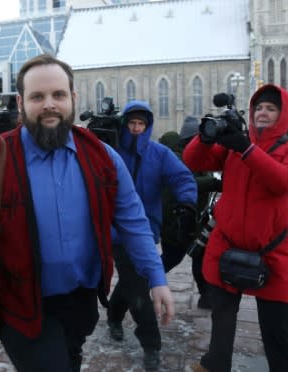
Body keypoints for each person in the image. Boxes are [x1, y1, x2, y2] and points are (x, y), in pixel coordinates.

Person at [0, 54, 174, 372]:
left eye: (58, 95)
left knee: (70, 359)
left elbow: (133, 222)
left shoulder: (102, 157)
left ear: (72, 99)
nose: (49, 104)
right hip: (19, 301)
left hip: (81, 301)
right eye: (38, 96)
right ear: (22, 103)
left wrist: (155, 277)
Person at [183, 84, 288, 372]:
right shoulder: (237, 145)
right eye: (259, 108)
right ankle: (215, 364)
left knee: (275, 328)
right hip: (226, 244)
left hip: (272, 250)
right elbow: (194, 160)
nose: (263, 112)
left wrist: (248, 149)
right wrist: (205, 138)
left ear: (283, 114)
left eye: (271, 108)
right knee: (222, 318)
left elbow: (287, 181)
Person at [106, 101, 197, 370]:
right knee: (138, 285)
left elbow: (183, 178)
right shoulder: (112, 152)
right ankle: (151, 344)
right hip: (116, 231)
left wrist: (187, 202)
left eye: (140, 124)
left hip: (146, 229)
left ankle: (113, 314)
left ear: (147, 127)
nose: (135, 129)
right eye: (131, 123)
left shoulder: (158, 153)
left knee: (133, 280)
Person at [158, 116, 222, 309]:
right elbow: (189, 183)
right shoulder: (178, 157)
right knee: (172, 258)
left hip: (193, 219)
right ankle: (141, 282)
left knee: (200, 255)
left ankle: (206, 295)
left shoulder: (196, 156)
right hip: (176, 221)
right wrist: (217, 184)